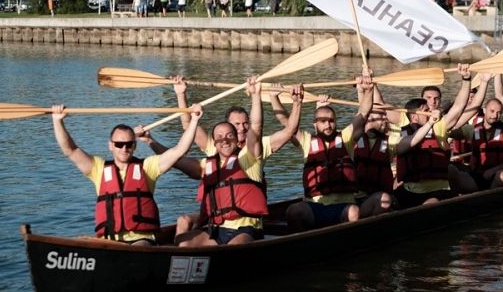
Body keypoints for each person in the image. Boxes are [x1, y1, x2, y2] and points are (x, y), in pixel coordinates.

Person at [161, 77, 304, 246]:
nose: (242, 128)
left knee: (233, 246)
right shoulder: (215, 148)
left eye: (245, 124)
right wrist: (181, 94)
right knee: (184, 237)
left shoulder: (254, 151)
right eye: (236, 125)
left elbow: (270, 129)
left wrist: (258, 96)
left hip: (245, 226)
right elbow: (189, 127)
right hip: (218, 224)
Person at [50, 102, 203, 245]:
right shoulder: (98, 168)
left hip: (142, 240)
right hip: (109, 242)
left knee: (139, 246)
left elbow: (179, 150)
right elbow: (70, 150)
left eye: (129, 144)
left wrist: (194, 121)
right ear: (111, 145)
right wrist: (58, 121)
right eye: (119, 144)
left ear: (134, 146)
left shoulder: (147, 167)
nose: (124, 148)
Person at [276, 72, 374, 232]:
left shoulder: (346, 138)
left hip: (342, 206)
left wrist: (368, 90)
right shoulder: (306, 140)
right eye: (322, 121)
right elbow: (287, 124)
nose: (328, 125)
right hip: (315, 206)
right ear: (315, 124)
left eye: (331, 121)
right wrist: (277, 99)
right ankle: (302, 243)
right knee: (293, 211)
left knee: (354, 212)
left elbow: (363, 113)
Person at [395, 64, 481, 205]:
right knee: (389, 200)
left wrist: (466, 79)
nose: (430, 111)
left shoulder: (439, 126)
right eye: (425, 110)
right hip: (411, 190)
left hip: (438, 191)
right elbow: (408, 144)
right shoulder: (403, 132)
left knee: (431, 203)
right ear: (414, 117)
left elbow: (459, 105)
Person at [454, 98, 503, 190]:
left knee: (502, 176)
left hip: (497, 175)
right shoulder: (472, 129)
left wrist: (493, 171)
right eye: (492, 111)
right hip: (477, 174)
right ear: (484, 110)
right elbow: (448, 131)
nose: (495, 115)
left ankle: (488, 198)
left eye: (499, 112)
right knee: (453, 169)